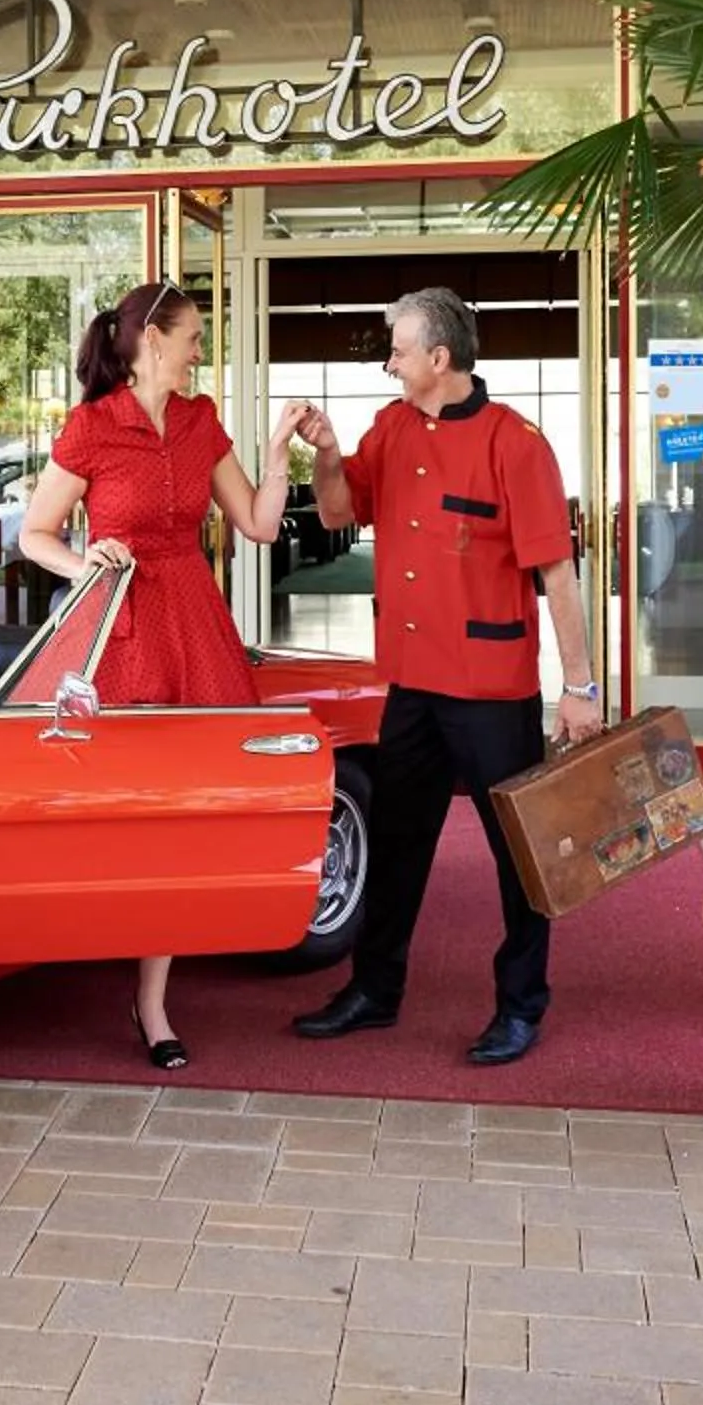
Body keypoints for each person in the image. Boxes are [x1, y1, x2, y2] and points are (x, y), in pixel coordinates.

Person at [288, 287, 603, 1067]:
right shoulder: (390, 427)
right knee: (397, 844)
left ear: (439, 357)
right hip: (413, 685)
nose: (387, 358)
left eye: (397, 345)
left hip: (493, 689)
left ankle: (522, 1004)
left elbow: (558, 575)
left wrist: (582, 686)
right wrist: (326, 453)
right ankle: (374, 991)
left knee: (517, 853)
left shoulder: (517, 443)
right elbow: (335, 514)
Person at [17, 280, 306, 1072]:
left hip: (194, 626)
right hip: (117, 628)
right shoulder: (92, 427)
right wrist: (87, 562)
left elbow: (257, 523)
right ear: (151, 339)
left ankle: (152, 1000)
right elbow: (37, 534)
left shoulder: (200, 420)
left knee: (182, 816)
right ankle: (74, 950)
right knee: (116, 813)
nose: (199, 350)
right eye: (192, 337)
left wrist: (279, 451)